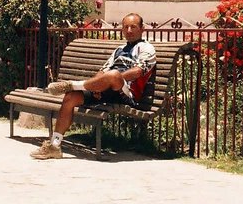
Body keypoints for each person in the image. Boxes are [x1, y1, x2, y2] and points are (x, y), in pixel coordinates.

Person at [30, 13, 156, 160]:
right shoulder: (119, 50)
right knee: (71, 97)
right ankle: (54, 146)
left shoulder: (147, 48)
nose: (129, 30)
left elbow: (138, 71)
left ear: (142, 29)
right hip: (107, 89)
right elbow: (102, 71)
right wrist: (96, 86)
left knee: (113, 74)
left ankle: (75, 85)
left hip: (127, 94)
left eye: (133, 27)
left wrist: (110, 79)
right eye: (126, 27)